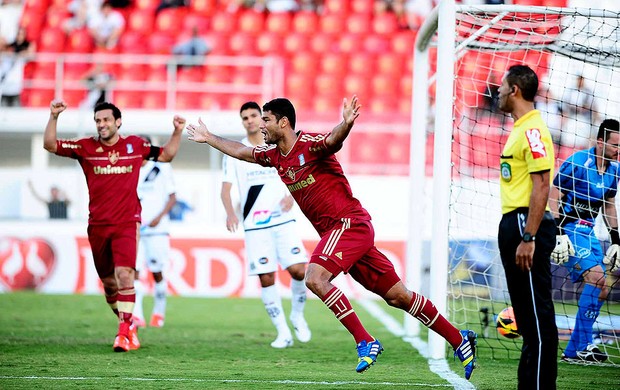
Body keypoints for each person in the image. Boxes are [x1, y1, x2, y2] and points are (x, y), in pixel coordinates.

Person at [186, 95, 477, 379]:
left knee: (314, 277)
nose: (261, 126)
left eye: (266, 120)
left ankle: (365, 341)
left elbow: (333, 140)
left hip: (349, 224)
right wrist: (209, 137)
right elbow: (240, 151)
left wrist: (346, 123)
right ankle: (459, 338)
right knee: (398, 297)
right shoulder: (273, 156)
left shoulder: (309, 145)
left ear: (283, 122)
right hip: (341, 233)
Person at [43, 100, 184, 352]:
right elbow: (50, 145)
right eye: (98, 120)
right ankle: (129, 326)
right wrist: (54, 116)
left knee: (125, 275)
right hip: (97, 225)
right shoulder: (85, 146)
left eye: (106, 120)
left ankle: (122, 334)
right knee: (109, 283)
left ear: (118, 122)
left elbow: (167, 155)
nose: (102, 124)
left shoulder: (135, 146)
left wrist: (177, 131)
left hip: (127, 223)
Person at [221, 102, 311, 348]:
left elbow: (295, 171)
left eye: (254, 116)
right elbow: (226, 189)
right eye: (245, 117)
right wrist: (230, 213)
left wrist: (292, 196)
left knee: (299, 271)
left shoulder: (273, 143)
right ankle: (283, 331)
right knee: (267, 277)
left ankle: (298, 315)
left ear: (261, 119)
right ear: (242, 121)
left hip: (282, 219)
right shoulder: (236, 151)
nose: (250, 120)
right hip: (255, 224)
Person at [496, 64, 558, 389]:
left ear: (515, 90)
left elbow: (542, 185)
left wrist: (529, 236)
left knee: (538, 319)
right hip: (514, 221)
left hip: (525, 223)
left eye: (502, 87)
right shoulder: (520, 128)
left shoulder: (533, 130)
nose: (499, 92)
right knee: (527, 320)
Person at [550, 118, 620, 363]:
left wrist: (616, 238)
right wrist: (558, 232)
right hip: (568, 230)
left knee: (603, 287)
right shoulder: (578, 163)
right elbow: (554, 193)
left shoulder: (615, 171)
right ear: (600, 142)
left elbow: (609, 204)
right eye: (614, 145)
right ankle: (584, 346)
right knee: (598, 278)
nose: (618, 150)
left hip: (589, 232)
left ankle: (575, 350)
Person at [133, 137, 177, 328]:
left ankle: (159, 312)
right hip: (135, 229)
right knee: (134, 272)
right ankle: (137, 315)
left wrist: (160, 217)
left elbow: (172, 197)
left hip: (157, 230)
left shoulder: (162, 167)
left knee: (157, 272)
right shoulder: (130, 168)